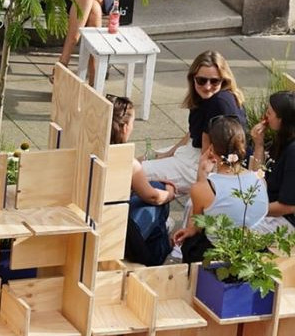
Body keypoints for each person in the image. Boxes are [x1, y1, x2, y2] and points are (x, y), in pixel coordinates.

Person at [142, 50, 245, 193]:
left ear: (224, 80)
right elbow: (192, 132)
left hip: (205, 162)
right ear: (193, 78)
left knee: (137, 171)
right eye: (201, 80)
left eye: (214, 81)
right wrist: (170, 152)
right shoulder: (205, 99)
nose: (207, 86)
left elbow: (208, 151)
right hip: (192, 151)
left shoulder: (220, 103)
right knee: (141, 158)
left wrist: (202, 184)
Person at [172, 115, 268, 263]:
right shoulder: (259, 179)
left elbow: (197, 226)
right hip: (253, 249)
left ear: (211, 149)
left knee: (191, 244)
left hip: (218, 253)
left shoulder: (203, 188)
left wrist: (202, 172)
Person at [110, 96, 177, 266]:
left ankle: (160, 234)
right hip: (119, 233)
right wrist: (169, 193)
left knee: (152, 189)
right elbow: (153, 197)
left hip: (99, 220)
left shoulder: (91, 150)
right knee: (158, 192)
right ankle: (161, 248)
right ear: (125, 127)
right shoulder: (127, 162)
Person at [251, 91, 295, 232]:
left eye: (269, 113)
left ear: (281, 120)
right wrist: (259, 145)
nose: (265, 116)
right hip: (267, 207)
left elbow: (288, 206)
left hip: (285, 222)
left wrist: (250, 209)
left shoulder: (293, 152)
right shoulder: (281, 139)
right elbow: (257, 178)